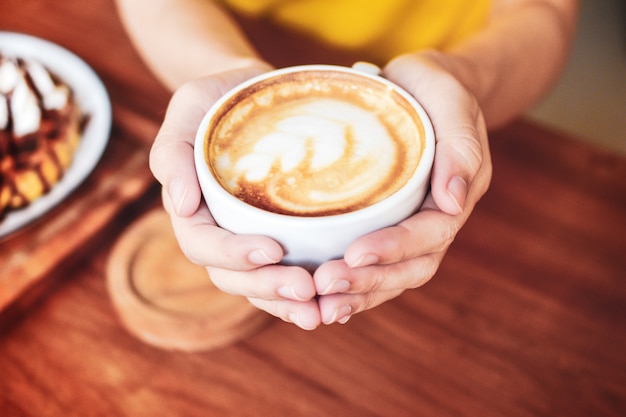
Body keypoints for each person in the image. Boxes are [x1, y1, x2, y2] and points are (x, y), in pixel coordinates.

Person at [114, 0, 578, 330]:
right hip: (229, 65)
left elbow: (544, 13)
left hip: (447, 115)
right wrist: (216, 69)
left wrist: (462, 78)